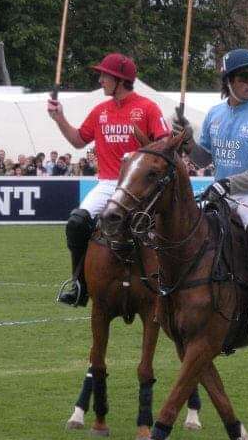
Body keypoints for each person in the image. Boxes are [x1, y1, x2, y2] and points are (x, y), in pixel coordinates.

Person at [47, 52, 170, 306]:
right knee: (77, 223)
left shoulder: (147, 108)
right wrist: (59, 118)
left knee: (164, 228)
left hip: (138, 186)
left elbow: (165, 143)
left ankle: (169, 283)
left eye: (104, 75)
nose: (100, 79)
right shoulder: (100, 111)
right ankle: (79, 284)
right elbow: (78, 140)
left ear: (120, 79)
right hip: (107, 184)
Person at [175, 48, 248, 333]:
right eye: (245, 77)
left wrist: (228, 184)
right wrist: (187, 141)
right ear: (228, 81)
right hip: (222, 194)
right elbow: (203, 158)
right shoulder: (215, 115)